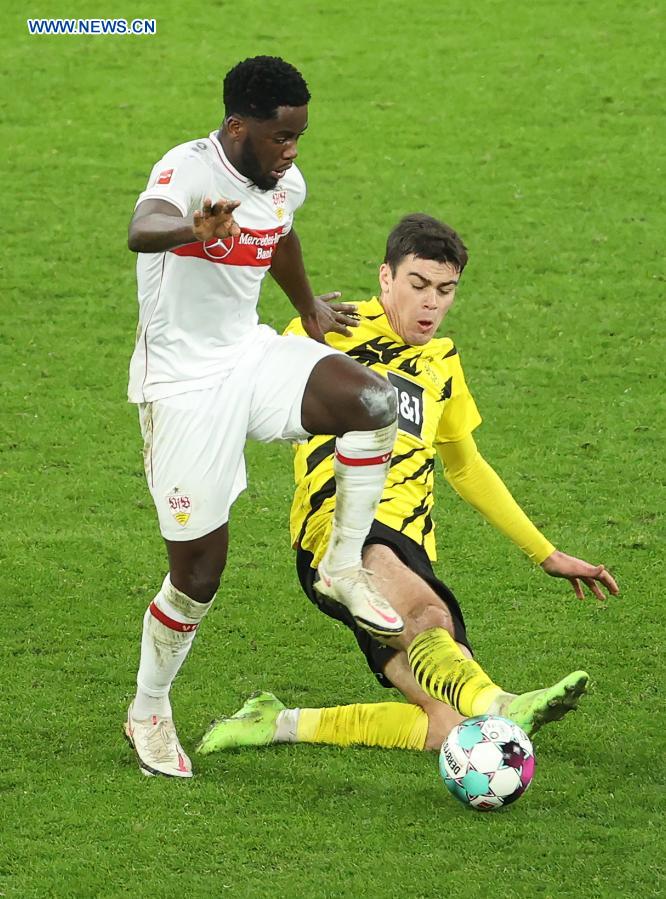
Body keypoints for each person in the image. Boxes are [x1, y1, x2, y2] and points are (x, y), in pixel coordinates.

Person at [197, 213, 619, 758]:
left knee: (446, 726)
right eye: (418, 285)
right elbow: (250, 389)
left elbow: (466, 468)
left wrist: (546, 553)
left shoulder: (443, 364)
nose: (431, 304)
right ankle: (501, 700)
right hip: (340, 529)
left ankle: (274, 721)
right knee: (429, 619)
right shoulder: (326, 331)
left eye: (445, 291)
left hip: (411, 542)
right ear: (385, 278)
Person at [123, 56, 409, 779]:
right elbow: (142, 225)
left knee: (373, 402)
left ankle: (343, 565)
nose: (291, 151)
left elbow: (280, 231)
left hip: (247, 357)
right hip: (182, 387)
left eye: (300, 137)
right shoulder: (187, 171)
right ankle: (148, 707)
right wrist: (192, 228)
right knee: (198, 574)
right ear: (237, 127)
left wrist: (306, 305)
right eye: (281, 138)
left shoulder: (284, 180)